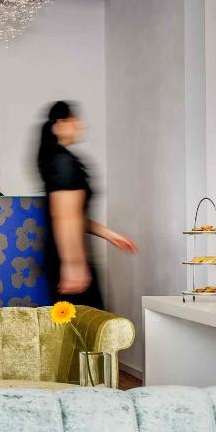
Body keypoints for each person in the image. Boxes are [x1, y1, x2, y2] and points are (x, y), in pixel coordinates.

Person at [37, 101, 137, 309]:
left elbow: (75, 215)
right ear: (59, 125)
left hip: (66, 258)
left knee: (84, 324)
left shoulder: (56, 158)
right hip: (69, 261)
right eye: (74, 119)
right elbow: (64, 216)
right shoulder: (62, 161)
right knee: (88, 325)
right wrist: (72, 265)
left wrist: (110, 235)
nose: (81, 125)